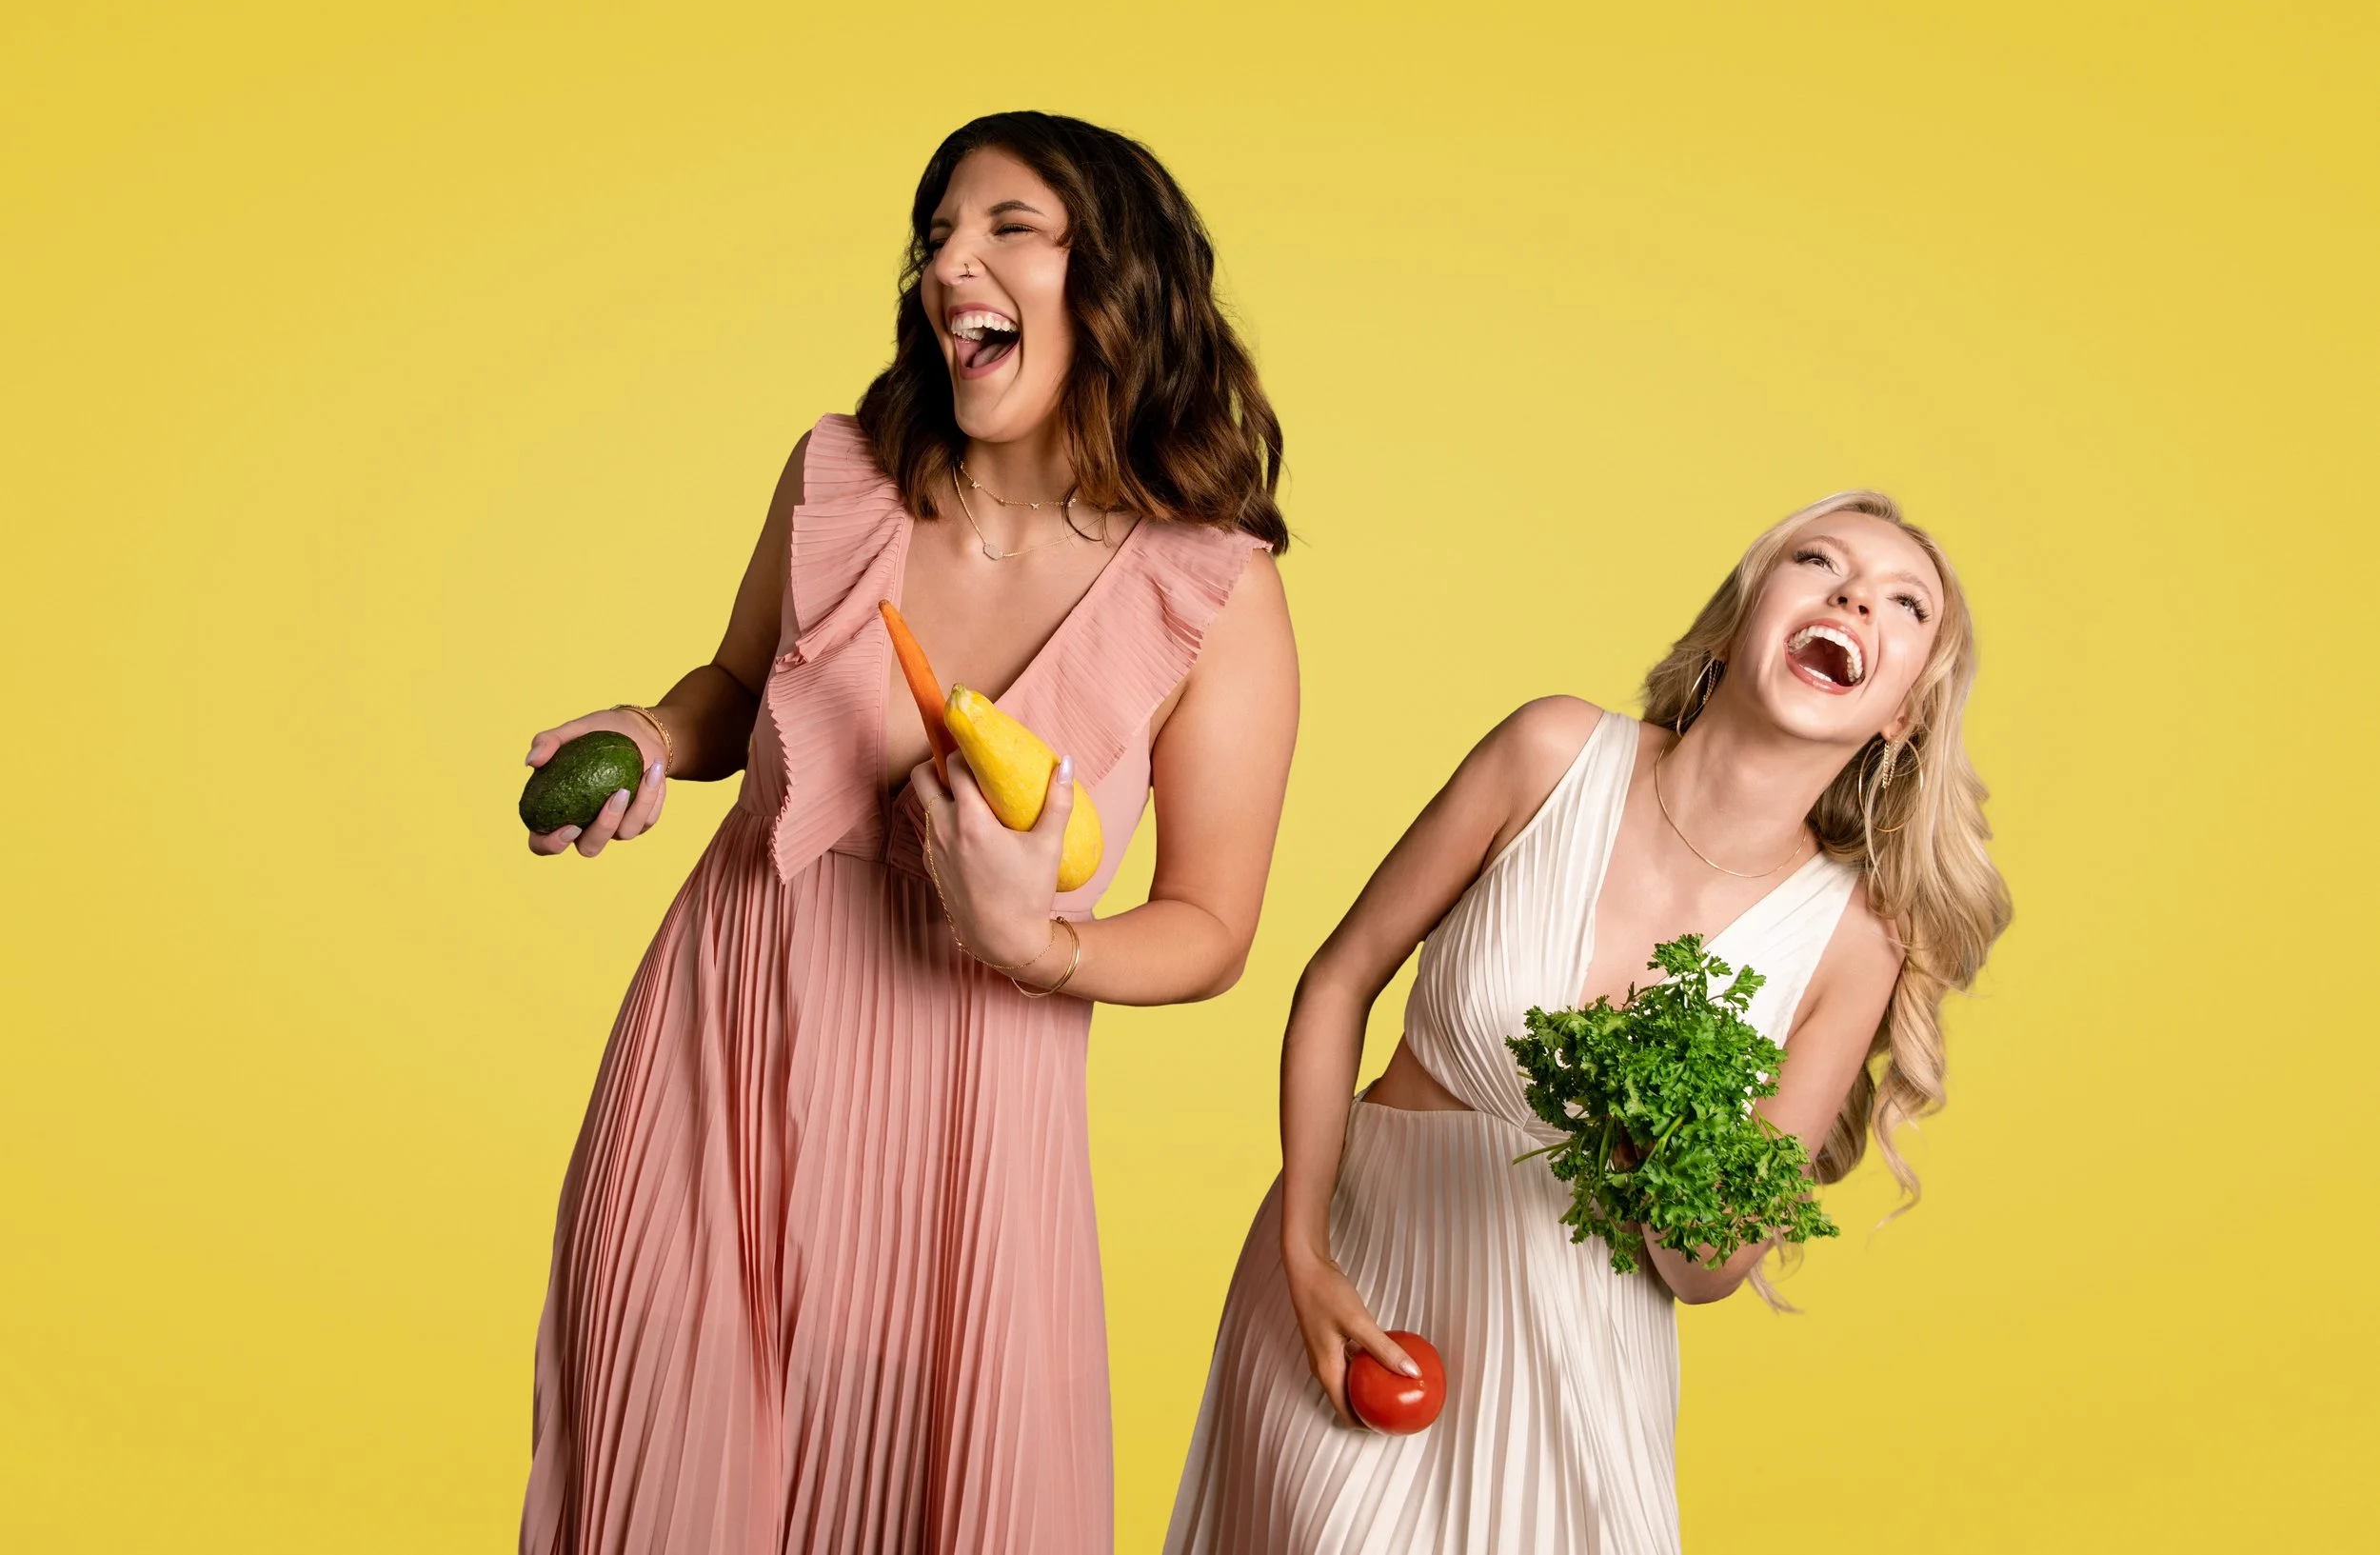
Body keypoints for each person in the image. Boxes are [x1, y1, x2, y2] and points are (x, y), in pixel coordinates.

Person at [517, 111, 1299, 1555]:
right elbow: (732, 692)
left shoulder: (1213, 592)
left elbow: (1213, 928)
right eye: (938, 234)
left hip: (968, 1127)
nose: (954, 263)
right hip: (718, 1047)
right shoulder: (839, 477)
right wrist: (649, 730)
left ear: (1116, 282)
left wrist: (1041, 945)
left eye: (1009, 228)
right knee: (659, 1473)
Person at [1164, 493, 2011, 1555]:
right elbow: (1336, 983)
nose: (1852, 595)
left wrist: (1652, 1140)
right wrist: (1303, 1251)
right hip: (1358, 1284)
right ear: (1742, 616)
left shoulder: (1855, 938)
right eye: (1817, 561)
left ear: (1903, 715)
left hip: (1581, 1363)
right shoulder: (1549, 751)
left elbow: (1706, 1268)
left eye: (1904, 603)